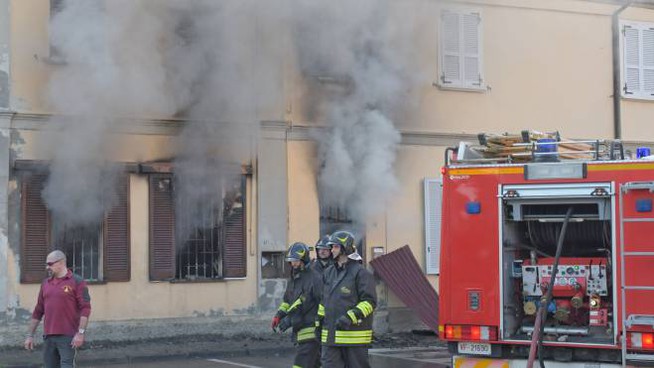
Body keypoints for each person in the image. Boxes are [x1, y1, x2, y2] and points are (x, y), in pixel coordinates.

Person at [317, 231, 377, 368]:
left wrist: (350, 317)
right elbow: (324, 300)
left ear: (346, 248)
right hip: (330, 336)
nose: (331, 250)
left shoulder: (361, 273)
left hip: (354, 336)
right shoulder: (328, 273)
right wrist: (319, 321)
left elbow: (369, 302)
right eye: (331, 247)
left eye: (335, 247)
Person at [24, 250, 92, 368]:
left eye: (50, 264)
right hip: (49, 337)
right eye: (46, 264)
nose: (47, 267)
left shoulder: (77, 281)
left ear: (61, 263)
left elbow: (85, 308)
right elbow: (38, 311)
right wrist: (30, 335)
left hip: (68, 337)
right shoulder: (45, 283)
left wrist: (80, 333)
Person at [271, 242, 322, 368]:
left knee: (300, 364)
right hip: (300, 329)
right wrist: (279, 315)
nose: (293, 264)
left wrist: (289, 320)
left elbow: (314, 303)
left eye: (296, 260)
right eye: (291, 261)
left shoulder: (314, 278)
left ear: (303, 259)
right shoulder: (294, 278)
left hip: (311, 331)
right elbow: (288, 301)